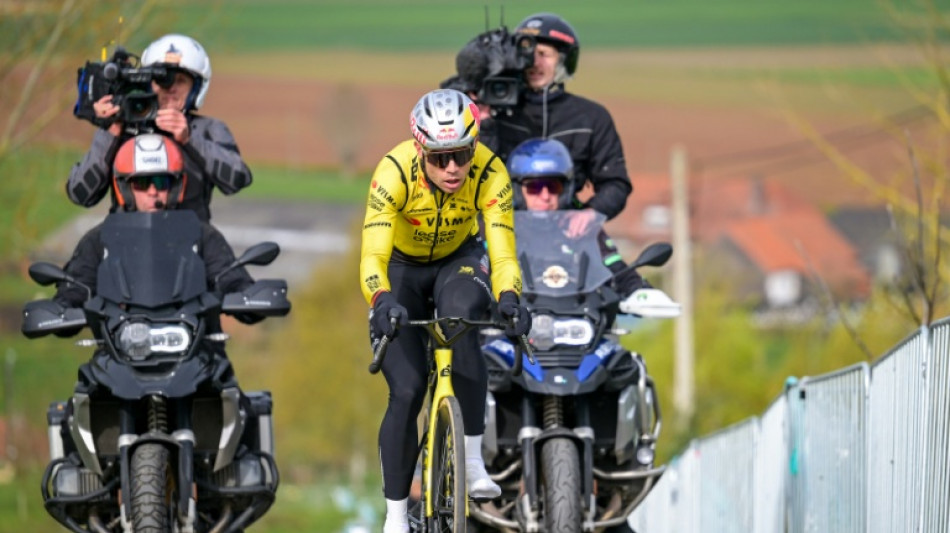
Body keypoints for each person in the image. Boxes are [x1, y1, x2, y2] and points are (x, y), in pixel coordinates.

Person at [359, 88, 531, 533]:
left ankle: (472, 462)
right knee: (409, 389)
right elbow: (372, 257)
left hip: (457, 261)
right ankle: (396, 514)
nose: (452, 168)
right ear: (420, 149)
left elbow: (504, 254)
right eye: (439, 158)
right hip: (400, 269)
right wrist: (380, 302)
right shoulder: (392, 172)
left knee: (464, 320)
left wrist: (510, 297)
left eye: (461, 154)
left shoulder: (491, 172)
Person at [66, 33, 252, 223]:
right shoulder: (120, 127)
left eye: (180, 81)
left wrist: (189, 139)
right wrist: (110, 133)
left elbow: (237, 180)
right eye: (162, 81)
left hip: (190, 245)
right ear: (148, 84)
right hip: (127, 244)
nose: (171, 88)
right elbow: (80, 194)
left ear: (195, 89)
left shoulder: (208, 129)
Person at [55, 133, 253, 309]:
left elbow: (230, 277)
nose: (152, 191)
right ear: (124, 188)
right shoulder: (100, 239)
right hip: (120, 342)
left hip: (195, 339)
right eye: (141, 183)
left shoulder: (201, 235)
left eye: (161, 182)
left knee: (214, 352)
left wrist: (246, 294)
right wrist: (64, 304)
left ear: (176, 186)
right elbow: (76, 288)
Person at [479, 13, 633, 238]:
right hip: (500, 227)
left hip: (568, 228)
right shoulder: (494, 113)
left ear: (564, 60)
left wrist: (591, 213)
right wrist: (484, 123)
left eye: (544, 54)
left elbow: (616, 183)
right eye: (528, 54)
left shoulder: (590, 118)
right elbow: (471, 175)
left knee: (618, 272)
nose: (535, 62)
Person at [509, 138, 649, 299]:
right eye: (534, 187)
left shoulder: (580, 226)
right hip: (516, 318)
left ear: (565, 190)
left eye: (554, 187)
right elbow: (479, 267)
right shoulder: (499, 227)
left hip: (580, 318)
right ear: (518, 191)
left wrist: (640, 291)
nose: (545, 196)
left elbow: (614, 266)